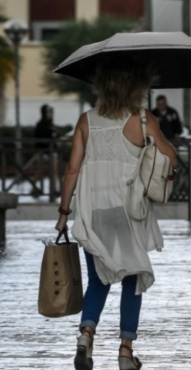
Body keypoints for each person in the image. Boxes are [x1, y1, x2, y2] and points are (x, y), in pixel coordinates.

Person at [55, 58, 178, 370]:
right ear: (135, 88)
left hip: (92, 210)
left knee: (97, 280)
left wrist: (63, 213)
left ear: (101, 88)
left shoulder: (86, 120)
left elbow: (72, 171)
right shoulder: (143, 118)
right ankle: (125, 351)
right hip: (127, 210)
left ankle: (86, 335)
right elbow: (169, 158)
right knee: (133, 279)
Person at [34, 104, 60, 193]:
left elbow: (56, 135)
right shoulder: (40, 124)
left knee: (54, 171)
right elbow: (39, 136)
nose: (51, 114)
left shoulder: (51, 124)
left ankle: (54, 189)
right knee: (39, 171)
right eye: (49, 112)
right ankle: (34, 188)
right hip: (42, 151)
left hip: (52, 150)